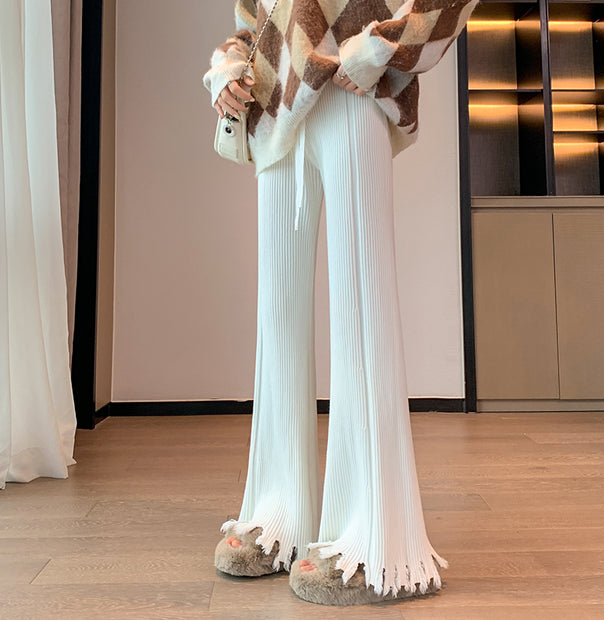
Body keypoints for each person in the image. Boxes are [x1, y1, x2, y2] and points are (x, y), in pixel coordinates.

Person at [203, 0, 479, 607]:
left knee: (362, 310)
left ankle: (374, 540)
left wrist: (385, 46)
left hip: (354, 91)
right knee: (276, 322)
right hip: (275, 103)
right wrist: (227, 68)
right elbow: (254, 20)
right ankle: (277, 514)